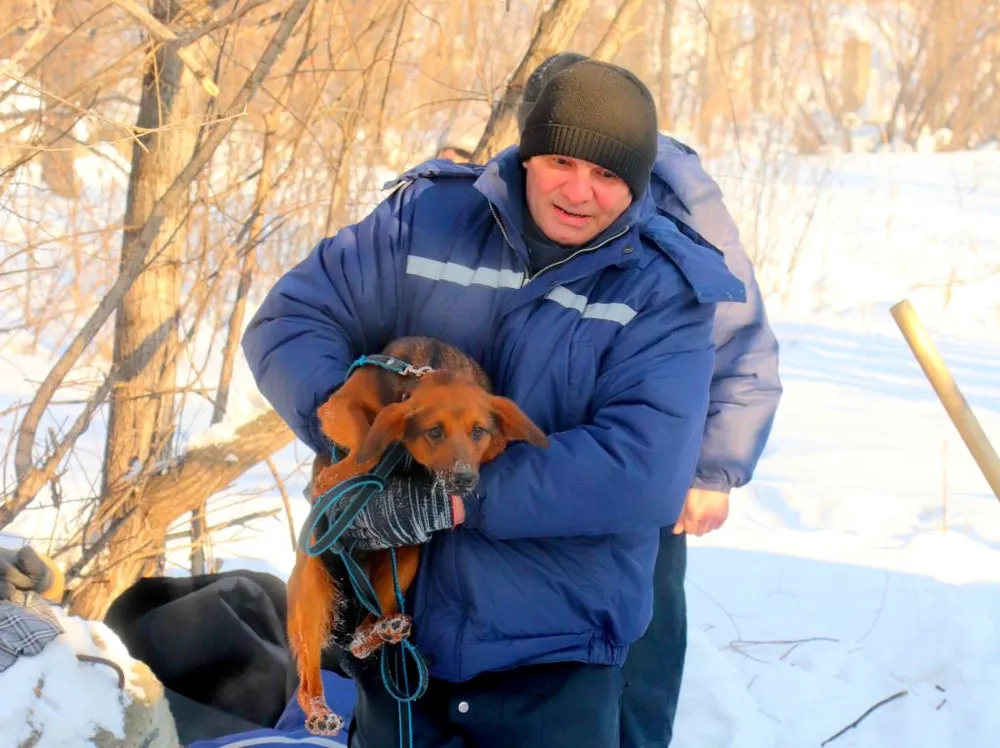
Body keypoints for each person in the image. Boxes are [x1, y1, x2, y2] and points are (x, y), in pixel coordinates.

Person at [241, 59, 745, 747]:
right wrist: (362, 447)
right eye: (561, 162)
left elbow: (643, 470)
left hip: (552, 657)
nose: (579, 191)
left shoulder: (661, 289)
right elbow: (290, 321)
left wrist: (453, 494)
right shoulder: (426, 221)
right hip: (400, 641)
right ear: (527, 154)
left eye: (606, 175)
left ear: (638, 180)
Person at [516, 53, 783, 748]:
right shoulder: (527, 183)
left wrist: (713, 469)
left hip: (651, 465)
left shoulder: (675, 194)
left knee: (643, 646)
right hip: (562, 461)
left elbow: (741, 332)